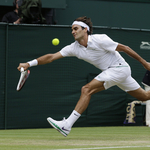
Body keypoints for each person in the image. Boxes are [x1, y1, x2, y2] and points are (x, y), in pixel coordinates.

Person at [17, 16, 150, 137]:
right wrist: (29, 63)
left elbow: (125, 48)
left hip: (120, 68)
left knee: (86, 89)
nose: (73, 31)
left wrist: (145, 64)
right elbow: (51, 57)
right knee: (145, 96)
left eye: (75, 28)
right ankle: (67, 125)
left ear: (85, 29)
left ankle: (67, 125)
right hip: (115, 72)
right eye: (72, 29)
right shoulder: (74, 48)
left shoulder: (100, 39)